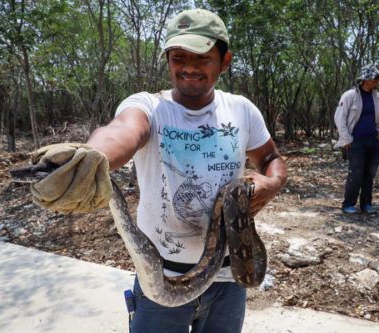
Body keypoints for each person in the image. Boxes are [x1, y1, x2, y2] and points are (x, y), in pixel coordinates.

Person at [29, 8, 287, 333]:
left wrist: (272, 182)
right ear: (167, 59)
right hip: (161, 282)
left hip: (228, 281)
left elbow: (270, 158)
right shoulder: (150, 106)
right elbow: (122, 131)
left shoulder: (241, 110)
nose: (189, 67)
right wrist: (92, 157)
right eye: (179, 57)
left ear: (225, 61)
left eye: (203, 58)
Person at [334, 65, 379, 214]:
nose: (378, 80)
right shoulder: (350, 95)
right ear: (367, 79)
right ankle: (348, 204)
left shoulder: (376, 96)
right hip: (355, 141)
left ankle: (366, 204)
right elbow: (340, 118)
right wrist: (346, 139)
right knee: (355, 173)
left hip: (372, 140)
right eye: (375, 77)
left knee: (369, 173)